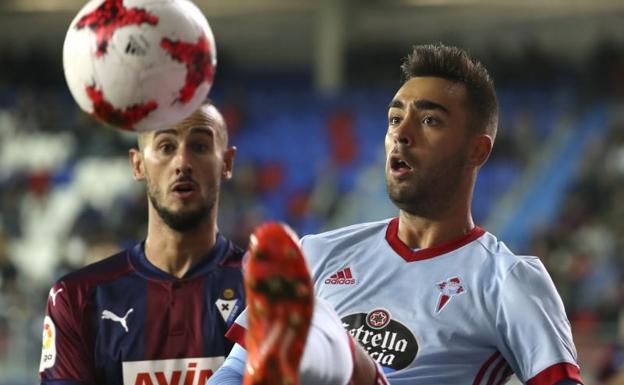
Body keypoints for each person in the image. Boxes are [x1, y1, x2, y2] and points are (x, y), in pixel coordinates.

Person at [210, 44, 583, 385]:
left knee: (342, 357)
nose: (401, 133)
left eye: (429, 121)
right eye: (393, 119)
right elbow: (234, 374)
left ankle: (335, 354)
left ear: (477, 151)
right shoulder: (315, 254)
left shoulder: (508, 281)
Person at [38, 102, 245, 385]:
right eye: (166, 146)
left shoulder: (267, 289)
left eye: (199, 146)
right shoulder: (78, 298)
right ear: (138, 164)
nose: (182, 162)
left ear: (227, 163)